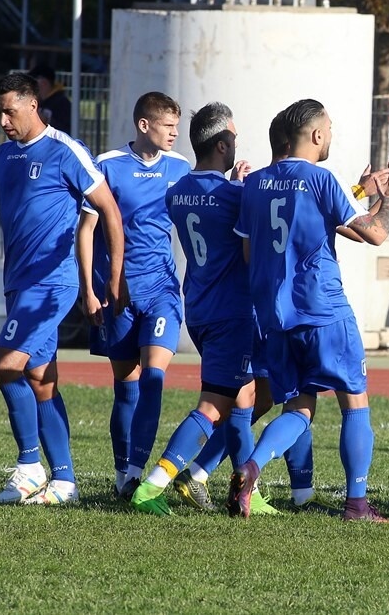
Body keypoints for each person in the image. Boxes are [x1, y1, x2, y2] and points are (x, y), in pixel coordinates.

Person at [0, 72, 126, 505]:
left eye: (9, 111)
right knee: (39, 379)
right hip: (18, 282)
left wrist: (111, 277)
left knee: (5, 363)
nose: (3, 121)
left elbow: (109, 210)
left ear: (33, 105)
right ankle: (65, 482)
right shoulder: (4, 157)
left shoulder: (66, 151)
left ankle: (30, 467)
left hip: (52, 283)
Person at [227, 98, 389, 522]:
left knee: (299, 406)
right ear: (314, 135)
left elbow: (248, 250)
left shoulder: (255, 185)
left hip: (274, 316)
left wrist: (363, 190)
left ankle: (252, 467)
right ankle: (357, 504)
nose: (331, 135)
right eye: (329, 129)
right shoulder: (321, 178)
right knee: (354, 400)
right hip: (322, 310)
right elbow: (376, 234)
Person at [128, 102, 279, 515]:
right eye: (233, 137)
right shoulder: (237, 196)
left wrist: (233, 186)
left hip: (198, 307)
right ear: (223, 143)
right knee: (213, 405)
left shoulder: (176, 193)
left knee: (244, 396)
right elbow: (253, 234)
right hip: (232, 312)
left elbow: (209, 210)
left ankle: (238, 489)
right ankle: (154, 486)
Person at [76, 92, 191, 499]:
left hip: (162, 289)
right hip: (117, 296)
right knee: (127, 385)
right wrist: (89, 289)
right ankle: (124, 474)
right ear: (144, 125)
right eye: (168, 126)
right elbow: (86, 230)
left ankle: (141, 470)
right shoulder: (108, 166)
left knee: (154, 378)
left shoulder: (181, 169)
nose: (176, 134)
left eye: (178, 127)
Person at [28, 64, 72, 134]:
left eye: (33, 81)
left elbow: (64, 129)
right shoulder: (38, 102)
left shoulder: (62, 103)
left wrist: (44, 122)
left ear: (44, 82)